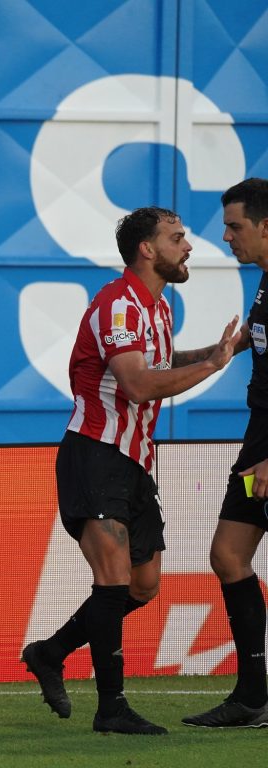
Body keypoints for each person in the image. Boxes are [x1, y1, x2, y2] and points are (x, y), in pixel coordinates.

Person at [20, 206, 241, 735]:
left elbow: (157, 364)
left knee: (142, 587)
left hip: (134, 461)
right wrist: (210, 367)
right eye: (177, 238)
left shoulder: (157, 309)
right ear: (147, 248)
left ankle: (49, 652)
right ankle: (111, 708)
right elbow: (138, 385)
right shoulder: (117, 305)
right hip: (95, 454)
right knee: (114, 581)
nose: (189, 247)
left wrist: (214, 350)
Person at [183, 178, 268, 728]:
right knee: (228, 556)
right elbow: (252, 343)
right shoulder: (265, 284)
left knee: (229, 555)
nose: (226, 235)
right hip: (257, 441)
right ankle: (254, 695)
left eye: (235, 226)